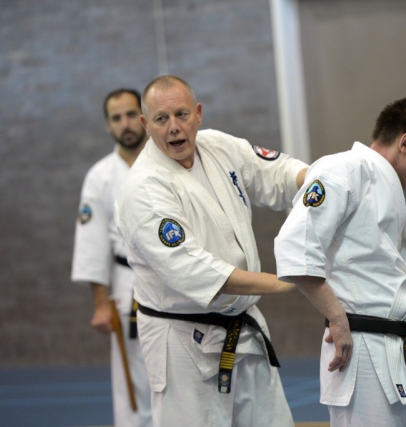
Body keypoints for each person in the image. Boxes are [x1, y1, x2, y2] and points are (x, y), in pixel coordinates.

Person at [114, 75, 307, 427]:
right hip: (182, 342)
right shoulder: (143, 188)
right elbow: (191, 268)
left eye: (182, 114)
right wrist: (280, 282)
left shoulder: (218, 146)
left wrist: (323, 182)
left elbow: (277, 173)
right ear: (146, 124)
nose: (174, 127)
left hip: (243, 326)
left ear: (198, 113)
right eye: (161, 119)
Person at [275, 98, 406, 427]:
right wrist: (336, 317)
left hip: (402, 344)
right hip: (360, 351)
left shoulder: (392, 187)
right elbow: (294, 248)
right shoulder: (341, 171)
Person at [71, 88, 153, 427]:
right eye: (116, 118)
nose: (125, 124)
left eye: (131, 114)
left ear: (144, 118)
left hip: (174, 279)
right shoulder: (100, 176)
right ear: (108, 125)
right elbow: (91, 244)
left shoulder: (166, 160)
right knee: (133, 381)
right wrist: (100, 305)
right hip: (126, 284)